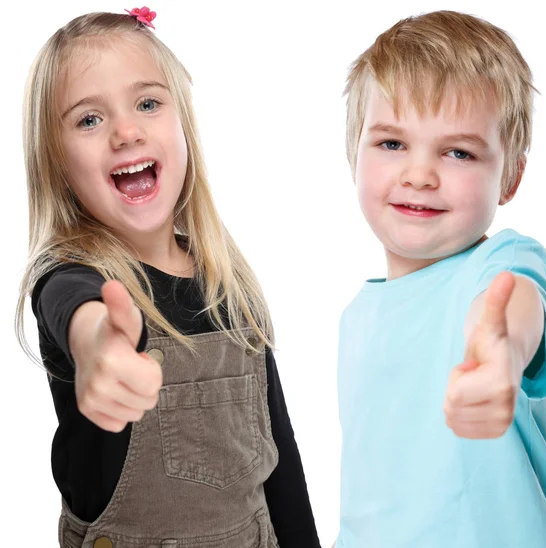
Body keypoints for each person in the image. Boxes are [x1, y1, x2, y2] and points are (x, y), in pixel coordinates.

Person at [16, 8, 320, 548]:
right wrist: (98, 348)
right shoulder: (70, 280)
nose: (126, 131)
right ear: (58, 163)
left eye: (148, 103)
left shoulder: (230, 282)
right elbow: (76, 312)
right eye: (89, 119)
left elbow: (281, 462)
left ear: (183, 124)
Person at [335, 10, 546, 548]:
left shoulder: (501, 265)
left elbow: (513, 307)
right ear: (355, 153)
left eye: (458, 152)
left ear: (509, 176)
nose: (419, 174)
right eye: (392, 144)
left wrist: (500, 356)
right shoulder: (356, 317)